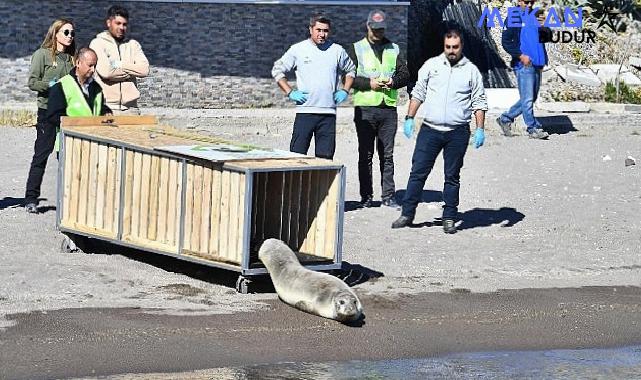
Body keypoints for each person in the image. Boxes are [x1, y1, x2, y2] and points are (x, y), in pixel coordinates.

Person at [391, 26, 487, 234]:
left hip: (457, 132)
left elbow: (479, 101)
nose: (451, 50)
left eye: (455, 47)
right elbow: (418, 93)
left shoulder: (471, 71)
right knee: (418, 172)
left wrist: (480, 128)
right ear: (443, 46)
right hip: (430, 130)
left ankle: (450, 217)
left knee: (452, 175)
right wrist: (409, 117)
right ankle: (407, 213)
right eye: (448, 47)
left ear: (461, 46)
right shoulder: (431, 66)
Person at [347, 10, 410, 209]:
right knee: (365, 155)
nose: (378, 32)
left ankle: (388, 196)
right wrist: (368, 84)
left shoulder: (394, 49)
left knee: (387, 155)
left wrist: (393, 82)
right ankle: (366, 197)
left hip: (388, 109)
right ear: (367, 27)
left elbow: (405, 74)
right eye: (375, 29)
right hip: (365, 109)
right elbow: (347, 78)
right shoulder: (356, 48)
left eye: (381, 29)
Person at [271, 14, 355, 159]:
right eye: (318, 30)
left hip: (328, 114)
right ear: (311, 29)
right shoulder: (298, 49)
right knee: (296, 156)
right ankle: (296, 183)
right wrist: (290, 92)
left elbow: (351, 70)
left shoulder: (337, 51)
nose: (322, 34)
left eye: (326, 31)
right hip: (305, 111)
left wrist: (345, 90)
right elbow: (277, 70)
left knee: (325, 159)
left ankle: (321, 183)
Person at [24, 18, 76, 213]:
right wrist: (53, 86)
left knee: (67, 157)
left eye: (72, 33)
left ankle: (69, 200)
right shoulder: (42, 55)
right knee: (41, 155)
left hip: (68, 114)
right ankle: (31, 199)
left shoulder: (72, 59)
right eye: (66, 32)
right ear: (55, 34)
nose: (70, 36)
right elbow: (32, 82)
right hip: (47, 112)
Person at [496, 0, 549, 139]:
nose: (530, 4)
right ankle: (532, 128)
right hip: (523, 64)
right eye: (526, 1)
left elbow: (540, 40)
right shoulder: (514, 17)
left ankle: (505, 119)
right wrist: (521, 56)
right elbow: (506, 42)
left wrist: (543, 59)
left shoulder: (535, 16)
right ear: (519, 1)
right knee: (527, 99)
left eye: (532, 1)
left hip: (537, 63)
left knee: (532, 97)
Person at [89, 5, 149, 115]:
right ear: (108, 23)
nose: (122, 27)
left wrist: (119, 64)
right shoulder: (97, 43)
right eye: (118, 23)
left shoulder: (133, 45)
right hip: (107, 108)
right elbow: (107, 72)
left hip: (132, 109)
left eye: (124, 24)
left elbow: (144, 70)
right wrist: (132, 71)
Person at [46, 47, 112, 143]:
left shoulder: (96, 87)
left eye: (95, 66)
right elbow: (53, 116)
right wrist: (76, 124)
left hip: (93, 141)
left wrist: (106, 111)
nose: (93, 70)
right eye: (90, 65)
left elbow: (98, 108)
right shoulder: (61, 86)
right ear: (78, 63)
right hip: (69, 142)